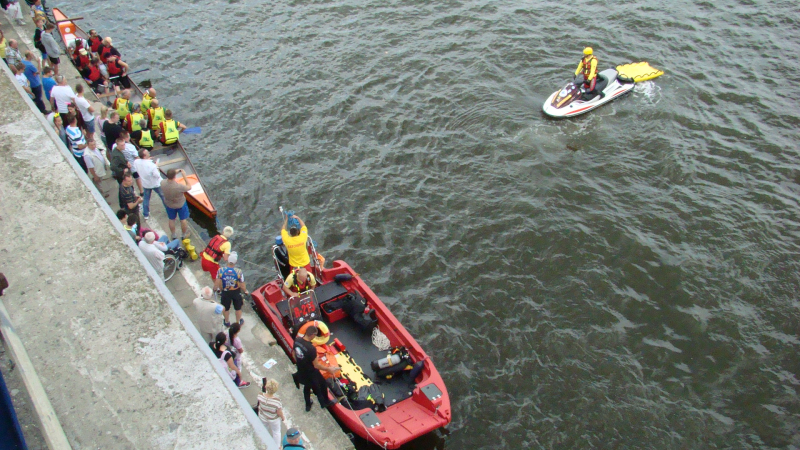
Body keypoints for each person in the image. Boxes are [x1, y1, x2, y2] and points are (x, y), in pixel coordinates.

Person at [292, 325, 337, 411]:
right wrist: (329, 369)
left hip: (301, 369)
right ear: (312, 335)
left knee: (307, 386)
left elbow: (294, 353)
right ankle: (325, 402)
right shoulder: (311, 348)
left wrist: (299, 363)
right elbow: (316, 365)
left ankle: (308, 405)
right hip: (311, 372)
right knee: (322, 385)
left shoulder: (297, 340)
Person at [214, 252, 248, 327]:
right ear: (235, 262)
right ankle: (238, 322)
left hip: (225, 292)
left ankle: (227, 322)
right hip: (236, 292)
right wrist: (245, 291)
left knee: (226, 308)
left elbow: (217, 282)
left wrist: (217, 289)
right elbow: (242, 284)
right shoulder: (239, 272)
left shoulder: (221, 271)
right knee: (238, 308)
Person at [131, 148, 164, 220]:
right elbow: (157, 175)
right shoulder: (152, 166)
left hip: (146, 184)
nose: (149, 153)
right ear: (145, 156)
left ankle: (146, 214)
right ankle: (169, 210)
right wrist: (156, 166)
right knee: (163, 197)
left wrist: (148, 160)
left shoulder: (136, 162)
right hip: (155, 184)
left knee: (146, 198)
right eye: (147, 153)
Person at [160, 169, 191, 239]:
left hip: (169, 204)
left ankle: (173, 235)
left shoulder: (162, 183)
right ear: (175, 177)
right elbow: (189, 187)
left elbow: (169, 177)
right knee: (183, 220)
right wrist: (184, 176)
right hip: (180, 204)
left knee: (171, 219)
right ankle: (183, 235)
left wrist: (174, 172)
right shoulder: (179, 187)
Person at [257, 379, 285, 447]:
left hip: (263, 416)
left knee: (264, 429)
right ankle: (276, 446)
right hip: (273, 419)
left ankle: (263, 444)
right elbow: (279, 412)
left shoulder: (260, 395)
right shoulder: (277, 402)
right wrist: (282, 417)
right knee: (276, 432)